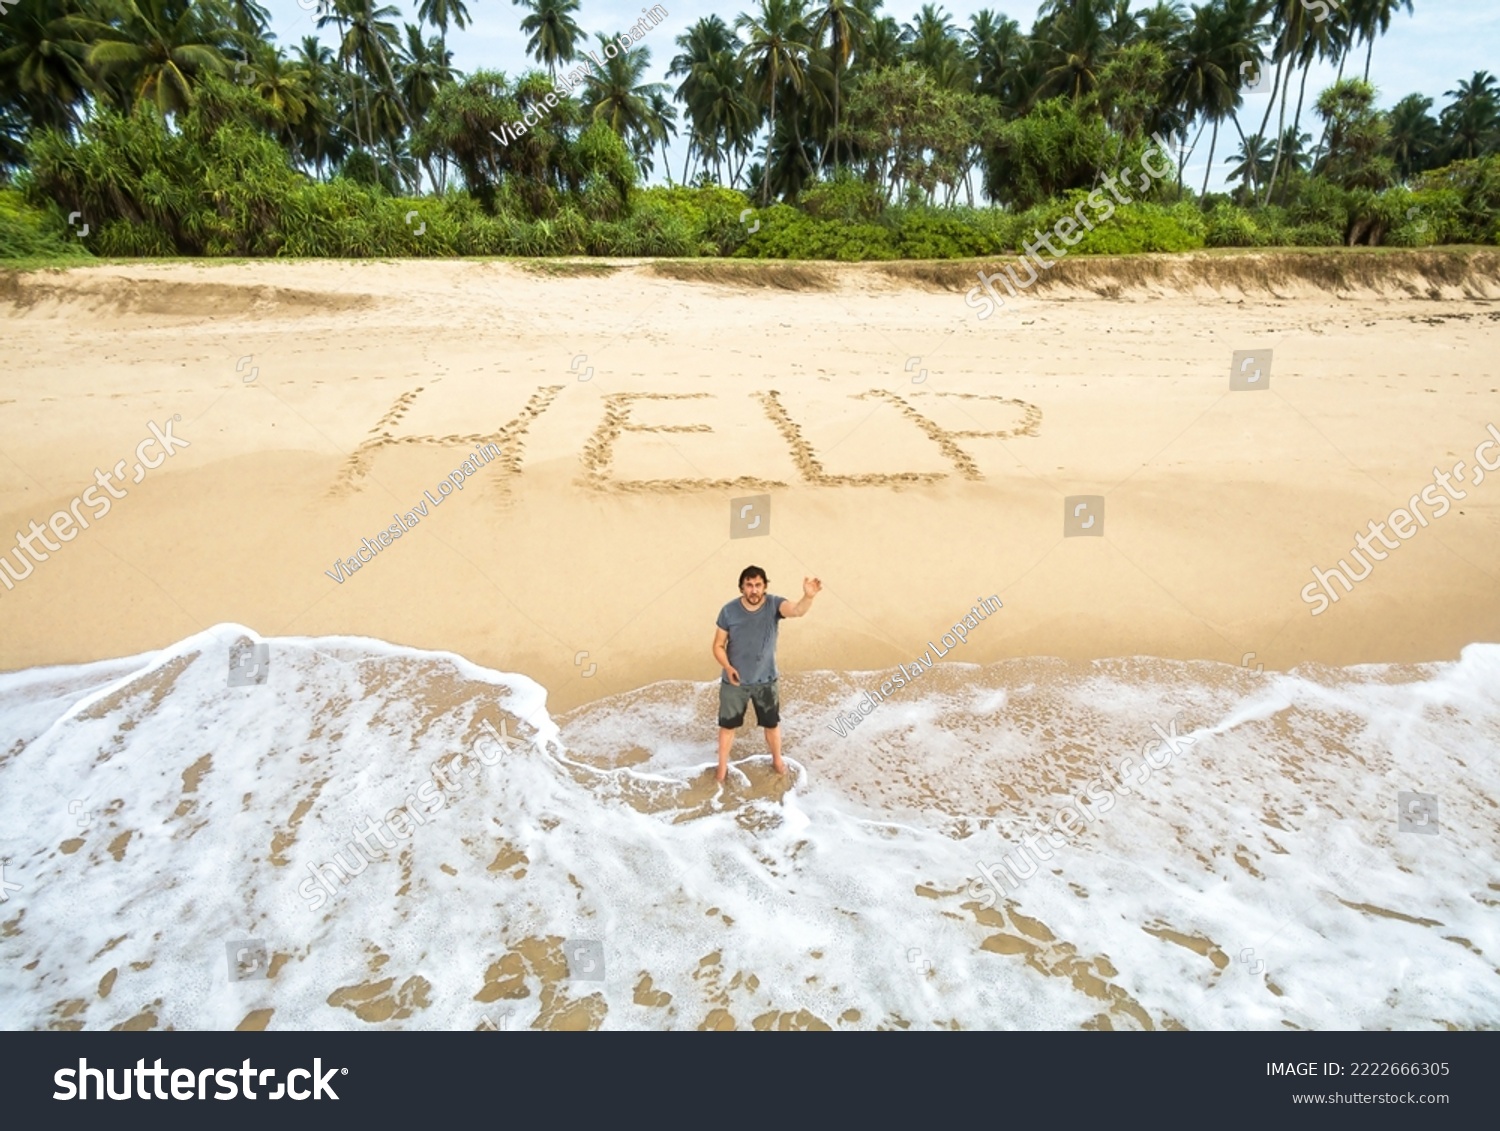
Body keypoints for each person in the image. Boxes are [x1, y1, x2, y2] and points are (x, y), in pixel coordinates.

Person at [711, 566, 822, 783]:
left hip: (766, 680)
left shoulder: (774, 604)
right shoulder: (728, 611)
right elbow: (717, 645)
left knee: (772, 724)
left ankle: (777, 761)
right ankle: (721, 770)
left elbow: (797, 610)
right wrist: (728, 667)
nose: (754, 590)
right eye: (749, 585)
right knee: (727, 727)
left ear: (765, 586)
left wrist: (808, 597)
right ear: (742, 587)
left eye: (758, 585)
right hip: (735, 681)